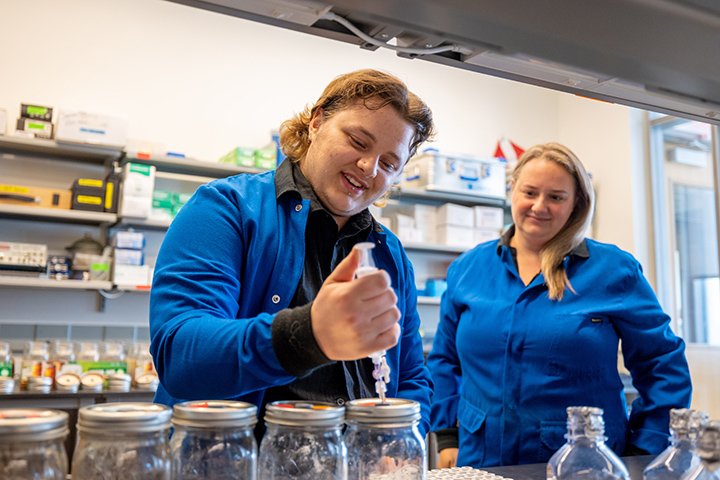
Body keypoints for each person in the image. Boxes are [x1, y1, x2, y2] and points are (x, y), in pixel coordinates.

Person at [149, 69, 435, 435]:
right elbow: (182, 356)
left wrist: (401, 438)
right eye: (358, 141)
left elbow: (411, 377)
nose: (369, 167)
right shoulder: (226, 209)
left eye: (389, 164)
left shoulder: (389, 252)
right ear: (317, 122)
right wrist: (308, 335)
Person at [427, 142, 692, 468]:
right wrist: (446, 436)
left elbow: (662, 363)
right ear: (512, 191)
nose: (539, 206)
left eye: (556, 197)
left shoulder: (613, 270)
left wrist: (646, 450)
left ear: (576, 204)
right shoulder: (468, 269)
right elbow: (444, 360)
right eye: (530, 192)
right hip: (481, 457)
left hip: (584, 463)